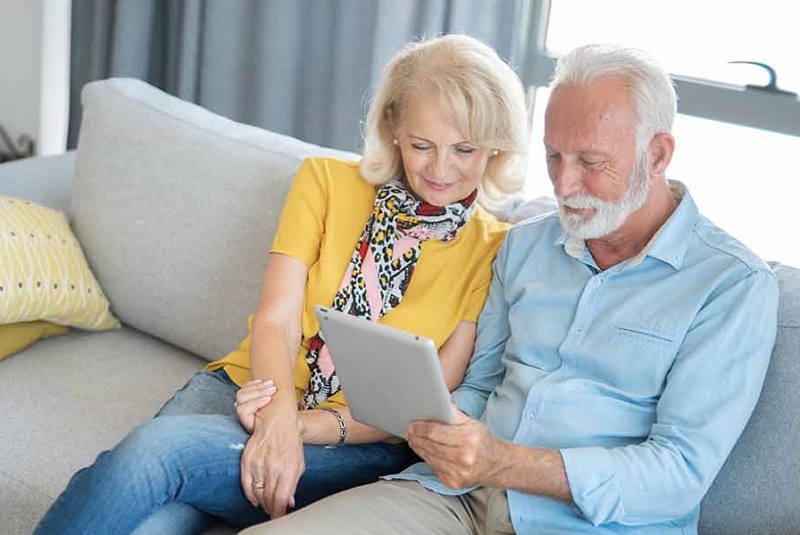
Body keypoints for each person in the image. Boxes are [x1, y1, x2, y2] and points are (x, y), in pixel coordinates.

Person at [242, 44, 780, 535]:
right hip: (453, 497)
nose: (564, 186)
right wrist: (437, 423)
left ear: (658, 155)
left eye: (591, 163)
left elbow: (679, 473)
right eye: (553, 157)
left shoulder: (731, 286)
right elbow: (478, 389)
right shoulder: (522, 248)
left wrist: (502, 461)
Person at [33, 34, 529, 534]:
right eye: (423, 145)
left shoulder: (495, 248)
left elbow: (428, 400)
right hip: (247, 385)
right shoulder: (325, 182)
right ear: (393, 127)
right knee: (155, 523)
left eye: (464, 149)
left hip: (351, 439)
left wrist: (295, 429)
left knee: (152, 455)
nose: (441, 169)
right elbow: (277, 317)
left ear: (494, 148)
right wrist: (276, 413)